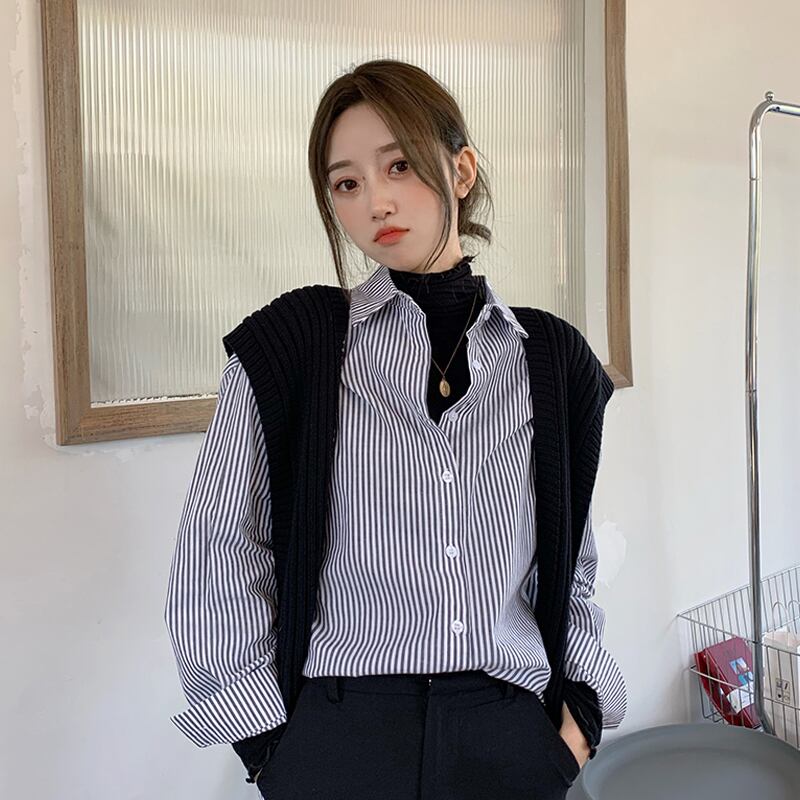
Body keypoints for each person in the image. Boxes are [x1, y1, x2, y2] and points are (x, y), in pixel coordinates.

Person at [164, 58, 627, 800]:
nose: (376, 201)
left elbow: (571, 561)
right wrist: (266, 743)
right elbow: (218, 547)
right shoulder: (295, 344)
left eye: (400, 165)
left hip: (510, 733)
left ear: (462, 170)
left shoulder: (551, 358)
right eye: (346, 184)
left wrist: (582, 715)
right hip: (340, 736)